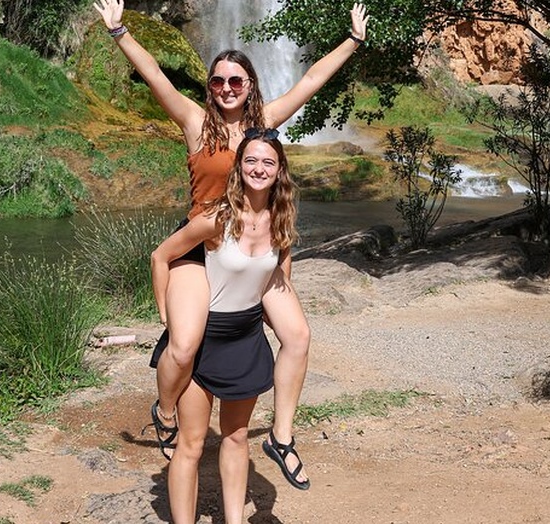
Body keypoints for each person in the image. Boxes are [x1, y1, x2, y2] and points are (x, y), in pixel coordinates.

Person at [93, 0, 368, 489]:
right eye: (217, 81)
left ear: (250, 87)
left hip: (255, 245)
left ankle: (281, 437)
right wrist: (119, 32)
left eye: (235, 82)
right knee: (184, 343)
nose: (225, 89)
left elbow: (308, 84)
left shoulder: (263, 129)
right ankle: (166, 407)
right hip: (203, 245)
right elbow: (155, 74)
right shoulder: (195, 122)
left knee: (298, 337)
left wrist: (353, 41)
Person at [149, 129, 298, 523]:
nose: (259, 168)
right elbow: (162, 255)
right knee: (192, 444)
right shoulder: (216, 218)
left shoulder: (281, 221)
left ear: (279, 169)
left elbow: (280, 278)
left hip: (245, 339)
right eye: (251, 160)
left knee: (235, 438)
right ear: (239, 167)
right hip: (205, 339)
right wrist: (166, 314)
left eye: (268, 161)